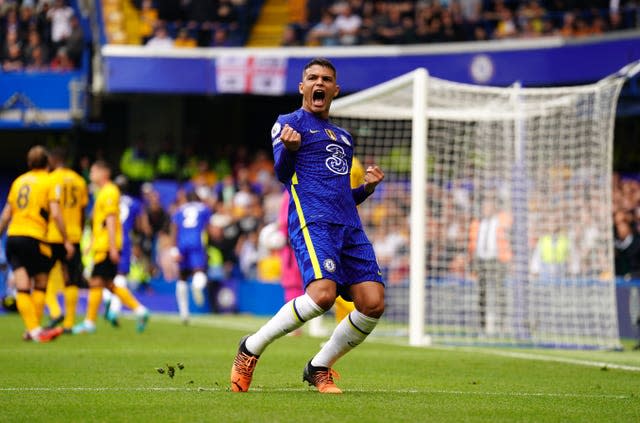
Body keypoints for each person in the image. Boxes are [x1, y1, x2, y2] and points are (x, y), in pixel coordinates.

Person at [230, 57, 385, 394]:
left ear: (335, 89)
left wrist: (366, 190)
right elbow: (283, 175)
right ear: (302, 87)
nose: (319, 83)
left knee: (373, 302)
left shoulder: (343, 138)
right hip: (313, 222)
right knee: (322, 296)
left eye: (326, 79)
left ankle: (319, 366)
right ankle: (251, 347)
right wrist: (289, 149)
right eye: (312, 78)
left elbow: (342, 195)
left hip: (349, 227)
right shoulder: (288, 124)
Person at [0, 145, 72, 342]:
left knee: (22, 287)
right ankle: (36, 331)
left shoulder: (18, 182)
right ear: (47, 162)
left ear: (29, 162)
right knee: (40, 284)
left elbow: (6, 214)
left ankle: (32, 330)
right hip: (36, 238)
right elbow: (56, 213)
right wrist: (66, 239)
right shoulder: (49, 182)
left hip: (14, 237)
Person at [73, 160, 150, 334]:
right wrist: (92, 242)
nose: (91, 176)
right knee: (108, 284)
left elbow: (110, 220)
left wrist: (113, 247)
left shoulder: (109, 192)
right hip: (102, 245)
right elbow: (100, 223)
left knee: (96, 282)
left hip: (107, 246)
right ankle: (140, 310)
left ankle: (90, 322)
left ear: (103, 173)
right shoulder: (103, 192)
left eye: (93, 172)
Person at [44, 147, 89, 333]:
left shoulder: (50, 179)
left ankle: (55, 312)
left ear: (53, 160)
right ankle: (69, 323)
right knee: (71, 280)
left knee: (42, 277)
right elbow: (83, 210)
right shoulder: (79, 181)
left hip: (53, 235)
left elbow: (48, 210)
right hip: (74, 235)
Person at [102, 175, 151, 326]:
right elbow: (142, 226)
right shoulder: (135, 203)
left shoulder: (108, 198)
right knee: (120, 274)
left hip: (106, 238)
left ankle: (109, 302)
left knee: (104, 275)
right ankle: (114, 309)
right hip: (124, 240)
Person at [171, 191, 212, 323]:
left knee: (182, 276)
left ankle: (184, 313)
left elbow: (174, 228)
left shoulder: (180, 210)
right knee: (199, 270)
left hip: (182, 242)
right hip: (196, 241)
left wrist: (174, 248)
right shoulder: (204, 209)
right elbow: (207, 228)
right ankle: (197, 285)